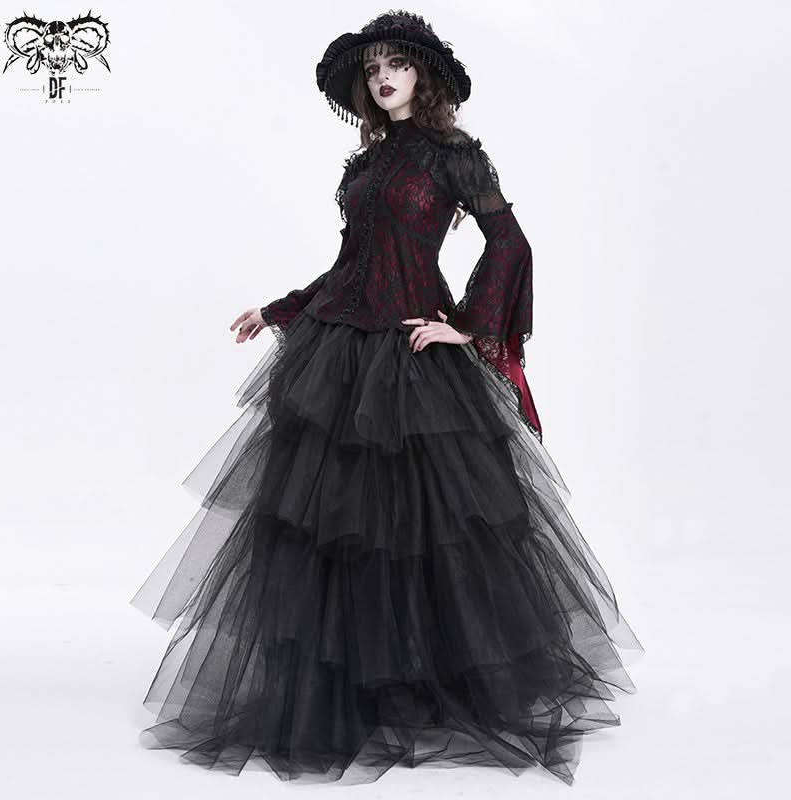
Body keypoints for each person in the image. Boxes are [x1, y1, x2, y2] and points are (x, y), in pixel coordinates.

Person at [130, 10, 644, 786]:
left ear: (423, 75)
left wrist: (467, 326)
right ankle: (353, 688)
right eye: (372, 69)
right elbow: (353, 264)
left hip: (411, 352)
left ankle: (432, 681)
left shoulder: (454, 156)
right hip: (341, 350)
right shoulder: (367, 164)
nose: (382, 77)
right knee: (339, 524)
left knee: (427, 527)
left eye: (395, 64)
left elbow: (510, 243)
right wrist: (279, 309)